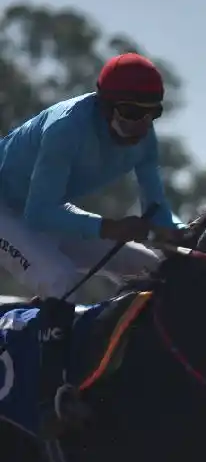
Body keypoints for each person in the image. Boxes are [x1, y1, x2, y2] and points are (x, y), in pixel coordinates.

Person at [0, 51, 188, 435]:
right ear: (104, 105)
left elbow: (158, 212)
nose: (141, 125)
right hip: (8, 210)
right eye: (132, 112)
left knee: (151, 266)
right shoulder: (65, 128)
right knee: (61, 279)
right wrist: (109, 227)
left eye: (152, 113)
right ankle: (52, 396)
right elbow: (38, 216)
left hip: (45, 209)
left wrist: (185, 232)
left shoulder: (144, 139)